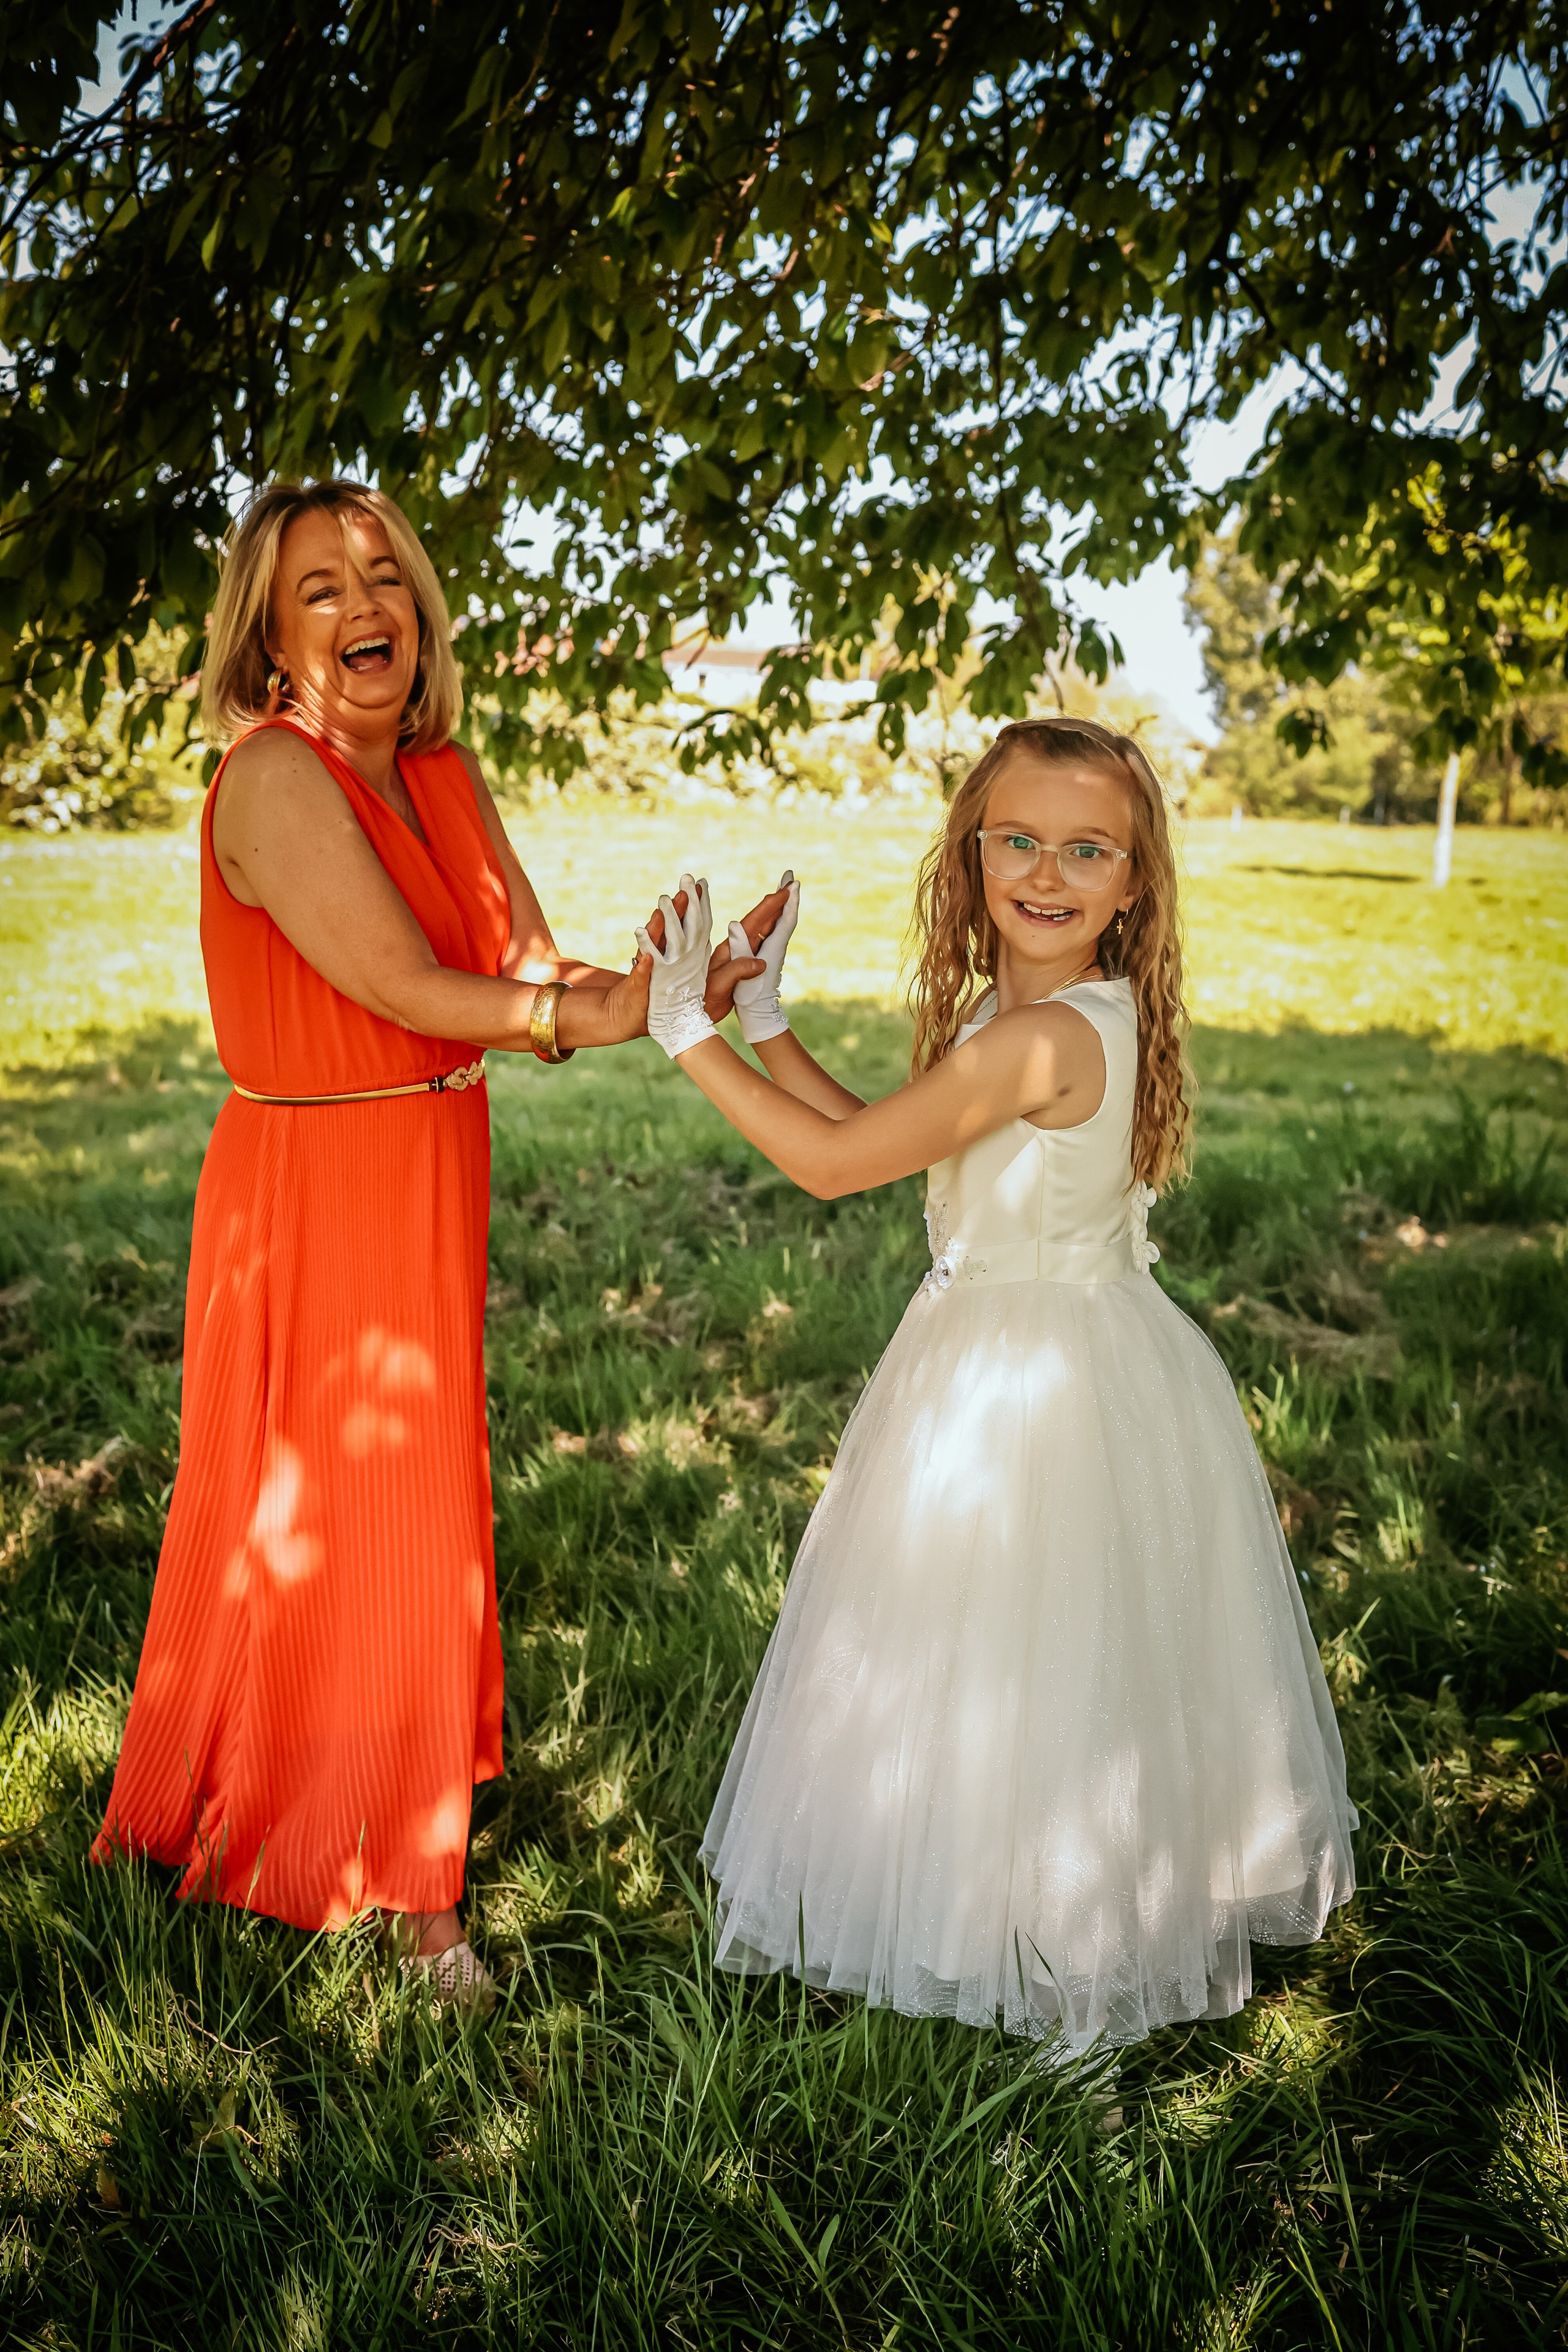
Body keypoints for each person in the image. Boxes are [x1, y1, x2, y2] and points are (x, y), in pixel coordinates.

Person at [90, 476, 778, 2000]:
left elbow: (526, 963)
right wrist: (574, 1012)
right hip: (315, 1176)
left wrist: (676, 982)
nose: (365, 608)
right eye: (321, 587)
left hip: (424, 1165)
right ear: (268, 636)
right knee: (340, 1501)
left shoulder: (442, 772)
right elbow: (406, 986)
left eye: (384, 576)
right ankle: (414, 1902)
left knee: (411, 1502)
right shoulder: (275, 775)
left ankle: (356, 1808)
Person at [636, 716, 1358, 2050]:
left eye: (1088, 850)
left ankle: (1069, 1958)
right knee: (992, 1654)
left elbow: (831, 1169)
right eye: (1017, 839)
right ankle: (990, 1906)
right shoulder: (1009, 1015)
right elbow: (886, 1135)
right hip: (1036, 1349)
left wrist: (684, 1031)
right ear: (972, 853)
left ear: (1133, 884)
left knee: (1051, 1661)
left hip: (1035, 1384)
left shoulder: (1046, 1038)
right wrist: (765, 1022)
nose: (1046, 869)